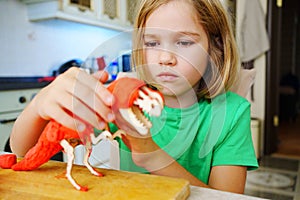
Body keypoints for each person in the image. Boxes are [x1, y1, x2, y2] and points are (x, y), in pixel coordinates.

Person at [10, 0, 258, 194]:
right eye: (152, 43)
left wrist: (151, 155)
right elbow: (22, 151)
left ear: (215, 48)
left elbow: (228, 197)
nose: (165, 58)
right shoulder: (122, 101)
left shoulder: (233, 113)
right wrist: (39, 106)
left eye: (183, 42)